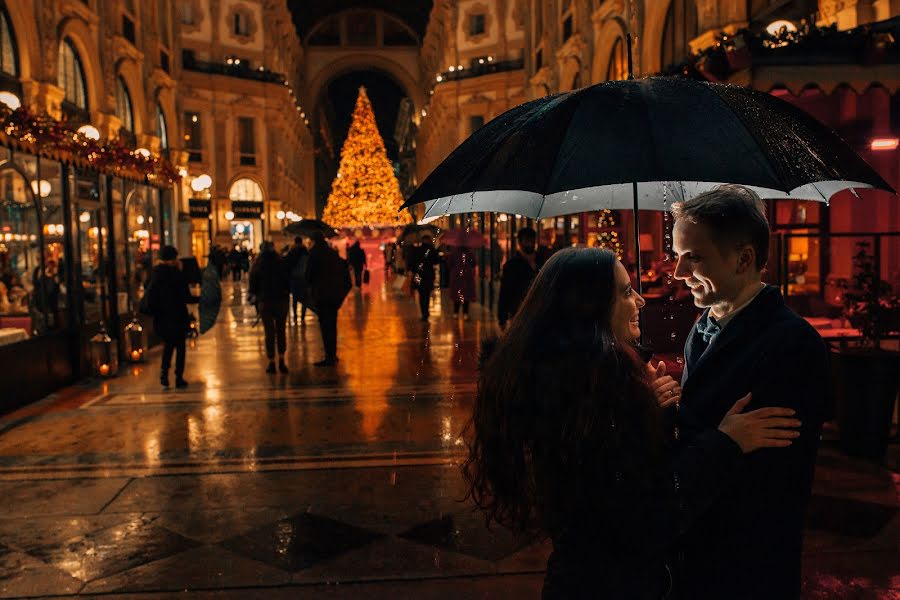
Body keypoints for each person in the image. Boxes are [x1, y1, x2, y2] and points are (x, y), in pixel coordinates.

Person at [465, 246, 802, 599]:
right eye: (626, 292)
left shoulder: (570, 384)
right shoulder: (595, 396)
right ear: (589, 307)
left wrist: (647, 412)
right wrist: (725, 443)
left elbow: (614, 480)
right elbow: (648, 516)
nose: (640, 300)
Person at [667, 185, 828, 599]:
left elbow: (770, 478)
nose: (678, 273)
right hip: (695, 553)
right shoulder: (701, 329)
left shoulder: (791, 342)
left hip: (745, 566)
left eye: (694, 257)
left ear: (743, 258)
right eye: (677, 254)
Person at [146, 246, 198, 388]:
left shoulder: (155, 274)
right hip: (178, 316)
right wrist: (201, 299)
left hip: (162, 318)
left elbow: (150, 296)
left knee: (168, 346)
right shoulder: (176, 274)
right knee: (180, 348)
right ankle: (178, 377)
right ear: (174, 259)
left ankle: (164, 375)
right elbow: (186, 297)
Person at [306, 231, 349, 366]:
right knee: (332, 325)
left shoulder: (314, 255)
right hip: (334, 295)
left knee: (325, 326)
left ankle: (329, 357)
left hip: (321, 295)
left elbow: (308, 276)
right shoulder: (331, 253)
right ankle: (332, 354)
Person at [249, 241, 290, 374]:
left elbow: (253, 286)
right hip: (281, 301)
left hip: (265, 302)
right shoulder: (281, 263)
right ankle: (282, 360)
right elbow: (288, 281)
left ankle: (271, 362)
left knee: (269, 332)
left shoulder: (258, 265)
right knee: (281, 330)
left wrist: (255, 295)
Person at [497, 227, 544, 329]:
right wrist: (502, 318)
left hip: (540, 310)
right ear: (520, 243)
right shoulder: (511, 265)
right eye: (527, 241)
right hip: (519, 311)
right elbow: (505, 292)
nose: (530, 244)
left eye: (532, 241)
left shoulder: (542, 261)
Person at [411, 234, 441, 322]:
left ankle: (423, 313)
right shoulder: (431, 250)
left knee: (421, 294)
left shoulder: (417, 250)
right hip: (428, 275)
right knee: (427, 294)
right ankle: (426, 313)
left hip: (419, 275)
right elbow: (436, 261)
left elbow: (413, 262)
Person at [284, 236, 310, 324]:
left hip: (294, 278)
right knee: (304, 299)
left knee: (295, 298)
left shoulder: (292, 252)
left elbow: (287, 265)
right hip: (304, 278)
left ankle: (295, 315)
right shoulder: (306, 252)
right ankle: (302, 316)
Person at [447, 245, 477, 320]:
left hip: (456, 275)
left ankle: (456, 312)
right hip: (467, 275)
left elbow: (449, 264)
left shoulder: (453, 253)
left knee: (457, 294)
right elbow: (473, 263)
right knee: (466, 295)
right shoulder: (470, 253)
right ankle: (465, 313)